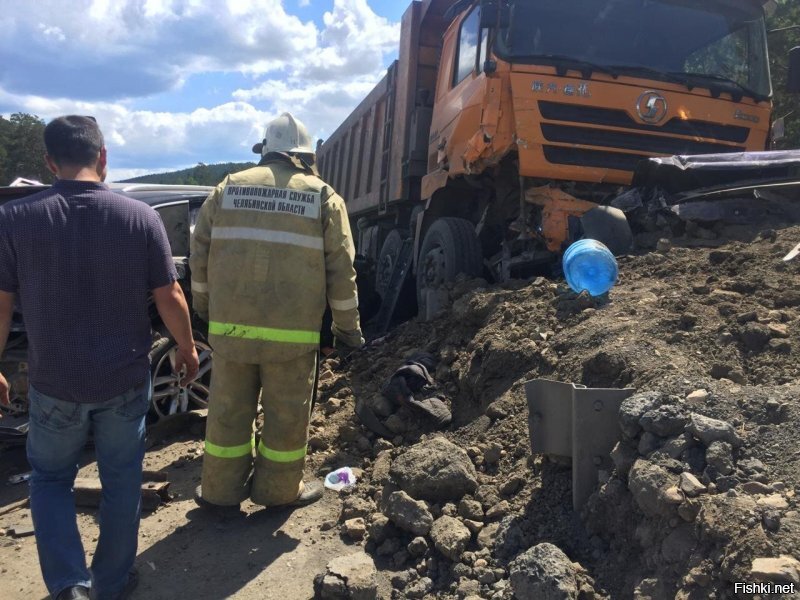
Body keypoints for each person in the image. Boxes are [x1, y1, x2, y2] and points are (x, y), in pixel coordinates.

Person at [0, 115, 200, 600]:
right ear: (103, 158)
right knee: (121, 481)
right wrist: (188, 348)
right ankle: (110, 583)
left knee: (49, 479)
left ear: (50, 162)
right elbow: (170, 294)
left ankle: (69, 584)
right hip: (124, 382)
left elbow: (1, 302)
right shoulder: (140, 218)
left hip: (54, 384)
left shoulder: (15, 220)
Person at [190, 112, 363, 512]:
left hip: (231, 332)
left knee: (227, 413)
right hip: (293, 338)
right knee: (286, 418)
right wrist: (347, 332)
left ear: (265, 151)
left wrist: (204, 310)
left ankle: (219, 492)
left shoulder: (227, 188)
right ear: (304, 155)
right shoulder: (323, 196)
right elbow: (342, 273)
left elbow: (199, 258)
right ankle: (278, 492)